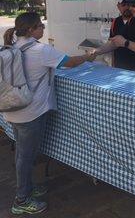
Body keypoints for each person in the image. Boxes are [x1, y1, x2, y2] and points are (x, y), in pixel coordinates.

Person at [3, 12, 96, 215]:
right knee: (26, 157)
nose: (43, 29)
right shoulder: (40, 50)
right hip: (31, 113)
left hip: (13, 110)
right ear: (30, 29)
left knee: (21, 153)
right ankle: (21, 199)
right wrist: (89, 56)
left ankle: (26, 188)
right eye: (40, 27)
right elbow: (69, 62)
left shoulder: (12, 46)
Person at [109, 0, 134, 69]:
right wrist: (113, 65)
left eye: (129, 4)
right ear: (118, 6)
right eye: (123, 4)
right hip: (119, 66)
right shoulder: (115, 22)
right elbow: (112, 45)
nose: (127, 7)